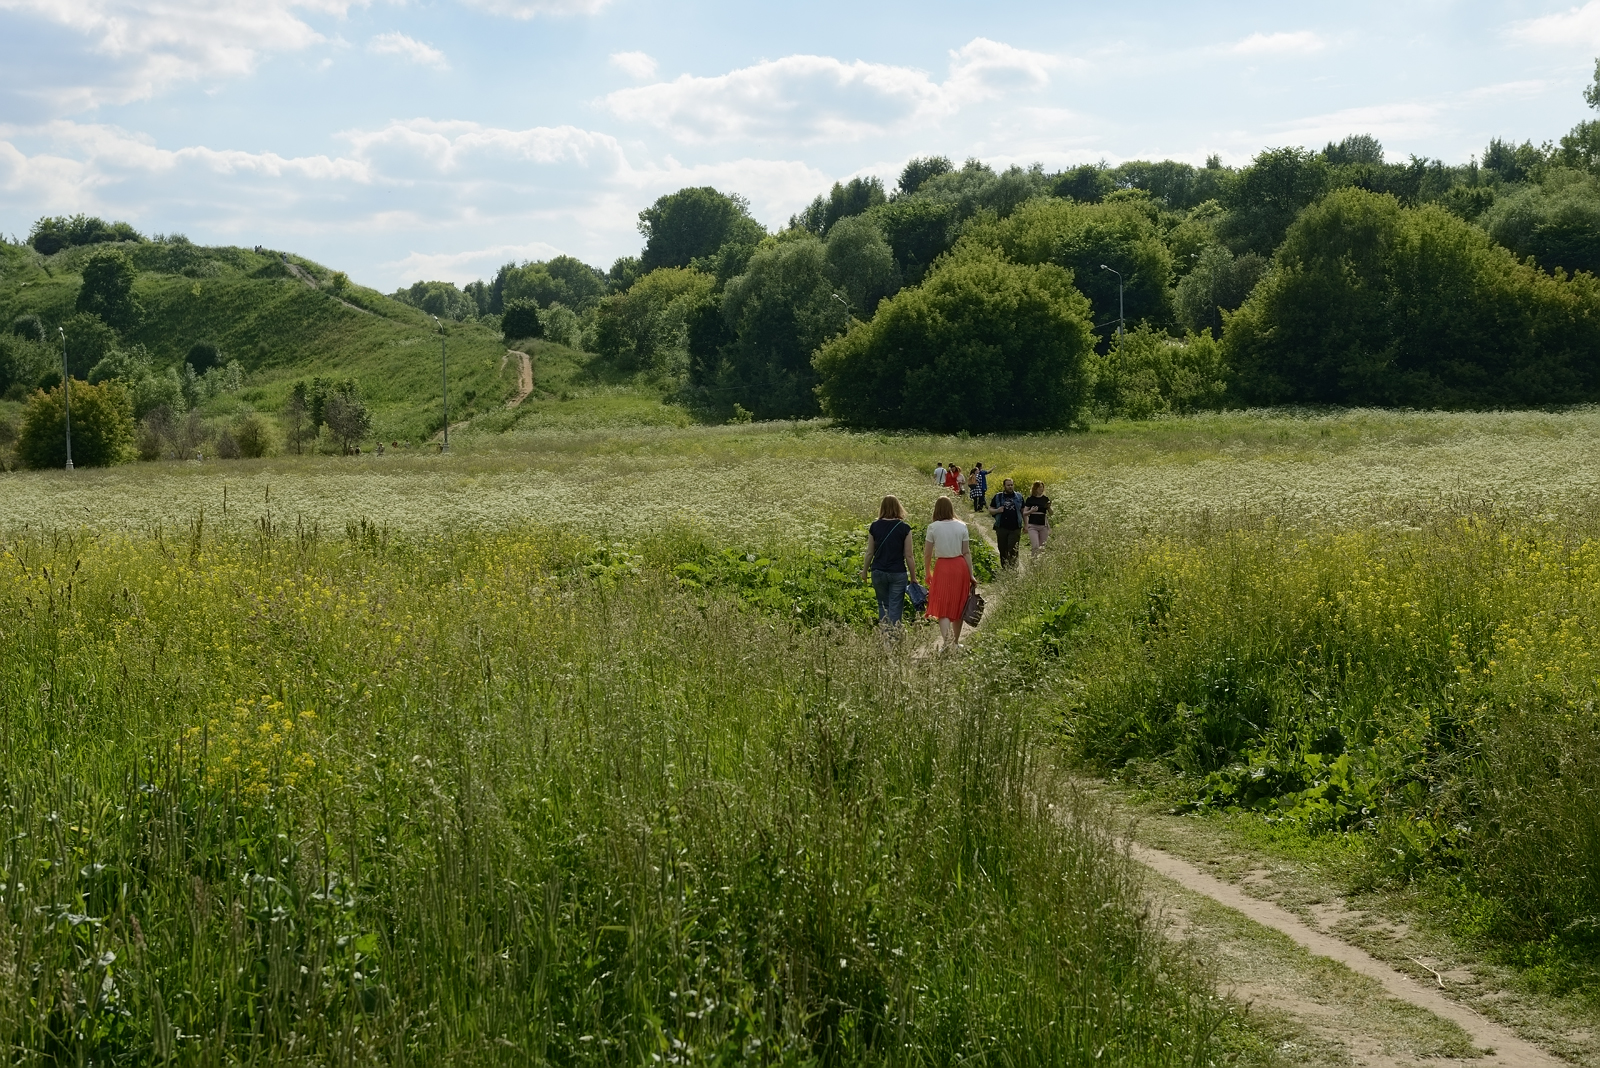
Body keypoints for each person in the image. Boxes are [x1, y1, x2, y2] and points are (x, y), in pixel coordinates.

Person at [861, 495, 918, 636]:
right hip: (897, 572)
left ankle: (885, 638)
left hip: (878, 571)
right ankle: (894, 638)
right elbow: (909, 555)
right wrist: (913, 576)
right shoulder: (904, 528)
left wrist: (864, 571)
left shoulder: (874, 526)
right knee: (895, 606)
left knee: (883, 606)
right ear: (899, 507)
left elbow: (869, 552)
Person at [923, 496, 972, 652]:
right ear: (951, 509)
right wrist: (971, 574)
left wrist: (927, 571)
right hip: (960, 566)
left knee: (942, 604)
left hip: (942, 567)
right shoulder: (962, 526)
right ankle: (955, 643)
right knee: (959, 603)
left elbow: (927, 554)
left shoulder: (933, 527)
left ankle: (947, 643)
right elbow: (966, 552)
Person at [988, 477, 1025, 568]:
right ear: (1004, 486)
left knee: (1013, 549)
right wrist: (997, 510)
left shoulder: (1019, 497)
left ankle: (1013, 570)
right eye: (1008, 485)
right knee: (1002, 548)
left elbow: (1023, 511)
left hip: (1015, 527)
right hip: (1001, 527)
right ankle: (1005, 569)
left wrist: (1026, 525)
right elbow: (990, 509)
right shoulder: (998, 496)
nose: (1010, 487)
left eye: (1011, 485)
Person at [1023, 480, 1052, 557]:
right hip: (1032, 526)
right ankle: (1033, 563)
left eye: (1042, 487)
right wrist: (1031, 511)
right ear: (1035, 489)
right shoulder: (1030, 499)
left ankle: (1040, 565)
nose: (1041, 489)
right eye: (1039, 488)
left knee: (1042, 547)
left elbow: (1051, 513)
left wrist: (1049, 508)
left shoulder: (1045, 499)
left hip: (1043, 525)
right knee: (1035, 546)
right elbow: (1024, 513)